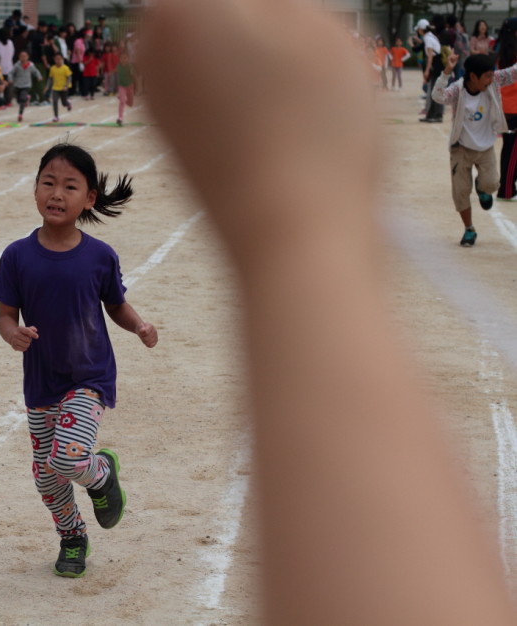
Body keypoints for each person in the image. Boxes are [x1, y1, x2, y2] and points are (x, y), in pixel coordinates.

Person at [145, 1, 517, 624]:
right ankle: (471, 211)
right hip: (453, 148)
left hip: (461, 154)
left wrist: (287, 210)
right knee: (464, 191)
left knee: (479, 183)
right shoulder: (456, 87)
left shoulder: (488, 84)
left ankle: (480, 199)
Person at [0, 143, 156, 578]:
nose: (56, 193)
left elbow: (116, 305)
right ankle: (72, 537)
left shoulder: (99, 255)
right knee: (47, 476)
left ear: (90, 198)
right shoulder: (17, 256)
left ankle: (101, 475)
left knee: (69, 458)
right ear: (35, 190)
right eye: (48, 183)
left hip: (89, 375)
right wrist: (14, 336)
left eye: (69, 186)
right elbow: (6, 316)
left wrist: (139, 326)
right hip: (41, 381)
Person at [431, 51, 517, 245]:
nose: (491, 78)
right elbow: (437, 96)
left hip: (485, 148)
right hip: (461, 149)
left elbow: (513, 72)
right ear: (473, 76)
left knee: (493, 184)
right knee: (460, 192)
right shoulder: (457, 90)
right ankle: (469, 229)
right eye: (487, 75)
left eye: (492, 74)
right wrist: (446, 71)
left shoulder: (493, 83)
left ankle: (482, 187)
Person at [498, 18, 517, 200]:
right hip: (515, 107)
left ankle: (507, 185)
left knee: (508, 149)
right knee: (513, 151)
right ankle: (507, 189)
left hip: (505, 107)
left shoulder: (501, 52)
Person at [418, 18, 444, 122]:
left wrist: (427, 70)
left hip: (436, 65)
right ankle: (431, 115)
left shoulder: (427, 38)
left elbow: (430, 55)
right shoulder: (431, 36)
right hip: (438, 64)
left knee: (435, 90)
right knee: (434, 90)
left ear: (420, 29)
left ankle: (437, 115)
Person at [8, 50, 42, 122]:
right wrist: (10, 79)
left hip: (26, 85)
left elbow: (36, 71)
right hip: (17, 85)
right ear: (19, 57)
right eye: (21, 56)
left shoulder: (31, 65)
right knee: (18, 100)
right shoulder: (17, 65)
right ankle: (27, 98)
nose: (23, 58)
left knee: (22, 99)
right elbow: (11, 73)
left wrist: (39, 76)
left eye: (24, 56)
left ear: (28, 57)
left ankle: (20, 114)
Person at [48, 52, 72, 123]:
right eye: (56, 59)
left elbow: (69, 78)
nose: (58, 61)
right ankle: (56, 116)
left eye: (59, 59)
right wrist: (47, 87)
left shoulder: (65, 68)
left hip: (64, 88)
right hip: (55, 88)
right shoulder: (52, 68)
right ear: (54, 60)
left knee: (64, 103)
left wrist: (66, 86)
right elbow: (50, 78)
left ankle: (68, 104)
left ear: (62, 59)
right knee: (55, 101)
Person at [116, 50, 136, 126]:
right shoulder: (118, 66)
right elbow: (118, 75)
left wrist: (136, 86)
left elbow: (133, 76)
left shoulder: (130, 66)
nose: (123, 60)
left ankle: (121, 98)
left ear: (128, 59)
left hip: (130, 86)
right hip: (122, 86)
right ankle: (120, 118)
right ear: (119, 58)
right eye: (122, 58)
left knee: (130, 104)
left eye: (125, 58)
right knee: (122, 102)